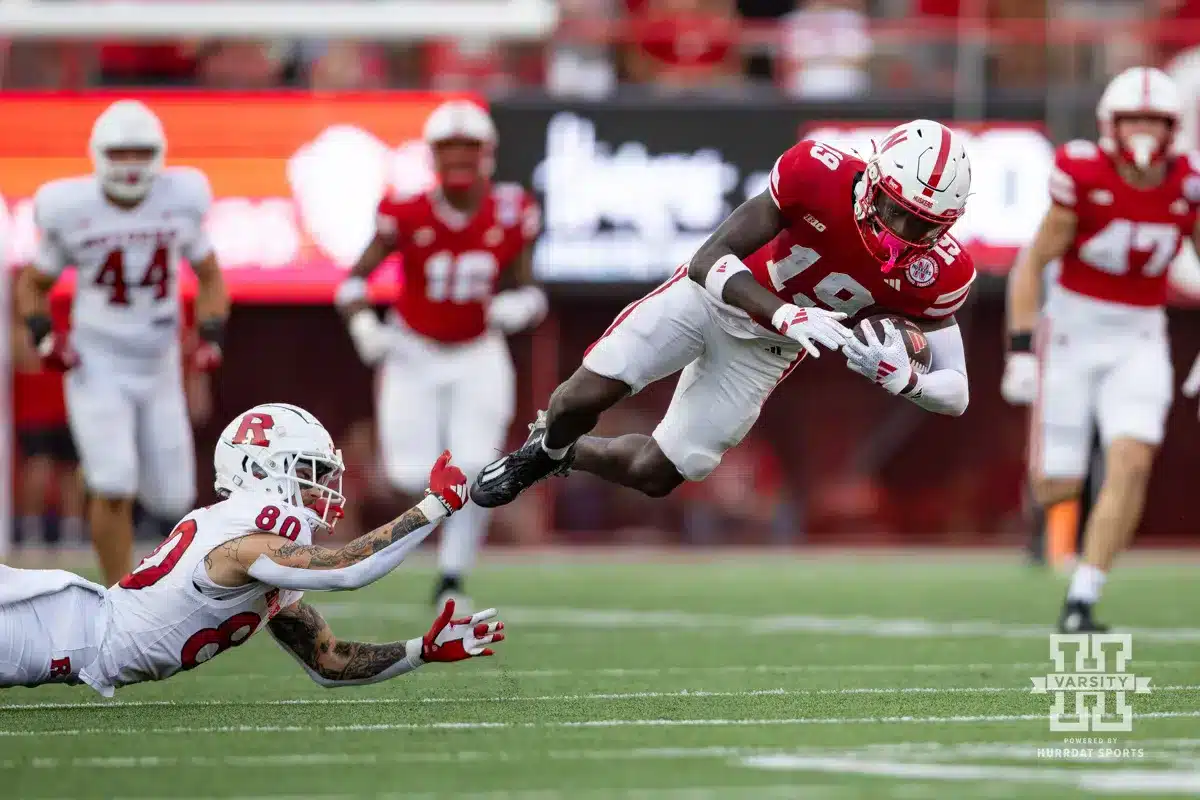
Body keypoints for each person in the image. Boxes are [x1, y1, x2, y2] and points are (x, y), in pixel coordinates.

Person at [471, 119, 974, 509]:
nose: (902, 233)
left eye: (925, 225)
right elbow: (709, 258)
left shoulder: (942, 271)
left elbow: (957, 392)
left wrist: (910, 382)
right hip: (712, 299)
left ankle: (562, 456)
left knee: (658, 474)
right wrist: (785, 315)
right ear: (873, 179)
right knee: (578, 399)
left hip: (764, 350)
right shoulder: (816, 171)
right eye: (895, 210)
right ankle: (546, 447)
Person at [0, 403, 503, 695]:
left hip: (64, 634)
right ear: (261, 470)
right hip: (49, 627)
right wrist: (435, 507)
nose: (320, 490)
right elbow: (348, 568)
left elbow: (328, 660)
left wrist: (421, 652)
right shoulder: (244, 544)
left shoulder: (256, 553)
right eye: (307, 473)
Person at [1003, 66, 1200, 633]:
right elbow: (1032, 262)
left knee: (1133, 463)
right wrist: (1020, 349)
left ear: (1173, 128)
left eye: (1154, 121)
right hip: (1071, 332)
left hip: (1140, 335)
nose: (1143, 130)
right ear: (1110, 125)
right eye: (1133, 119)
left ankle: (1083, 598)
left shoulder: (1186, 184)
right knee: (1055, 486)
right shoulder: (1081, 174)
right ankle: (1054, 512)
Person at [334, 100, 544, 610]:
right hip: (413, 351)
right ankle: (415, 559)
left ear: (487, 153)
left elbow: (527, 287)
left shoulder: (512, 209)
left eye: (467, 148)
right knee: (408, 474)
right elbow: (353, 284)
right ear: (433, 156)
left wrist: (519, 305)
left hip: (477, 352)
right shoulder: (404, 211)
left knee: (475, 468)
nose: (458, 159)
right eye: (449, 148)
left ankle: (451, 577)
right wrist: (365, 326)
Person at [13, 99, 229, 587]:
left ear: (157, 154)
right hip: (99, 362)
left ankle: (170, 587)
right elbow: (33, 284)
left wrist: (211, 332)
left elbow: (212, 277)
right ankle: (119, 596)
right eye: (120, 153)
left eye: (140, 153)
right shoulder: (71, 208)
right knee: (112, 482)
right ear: (99, 155)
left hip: (158, 362)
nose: (130, 166)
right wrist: (44, 334)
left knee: (174, 497)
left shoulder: (180, 199)